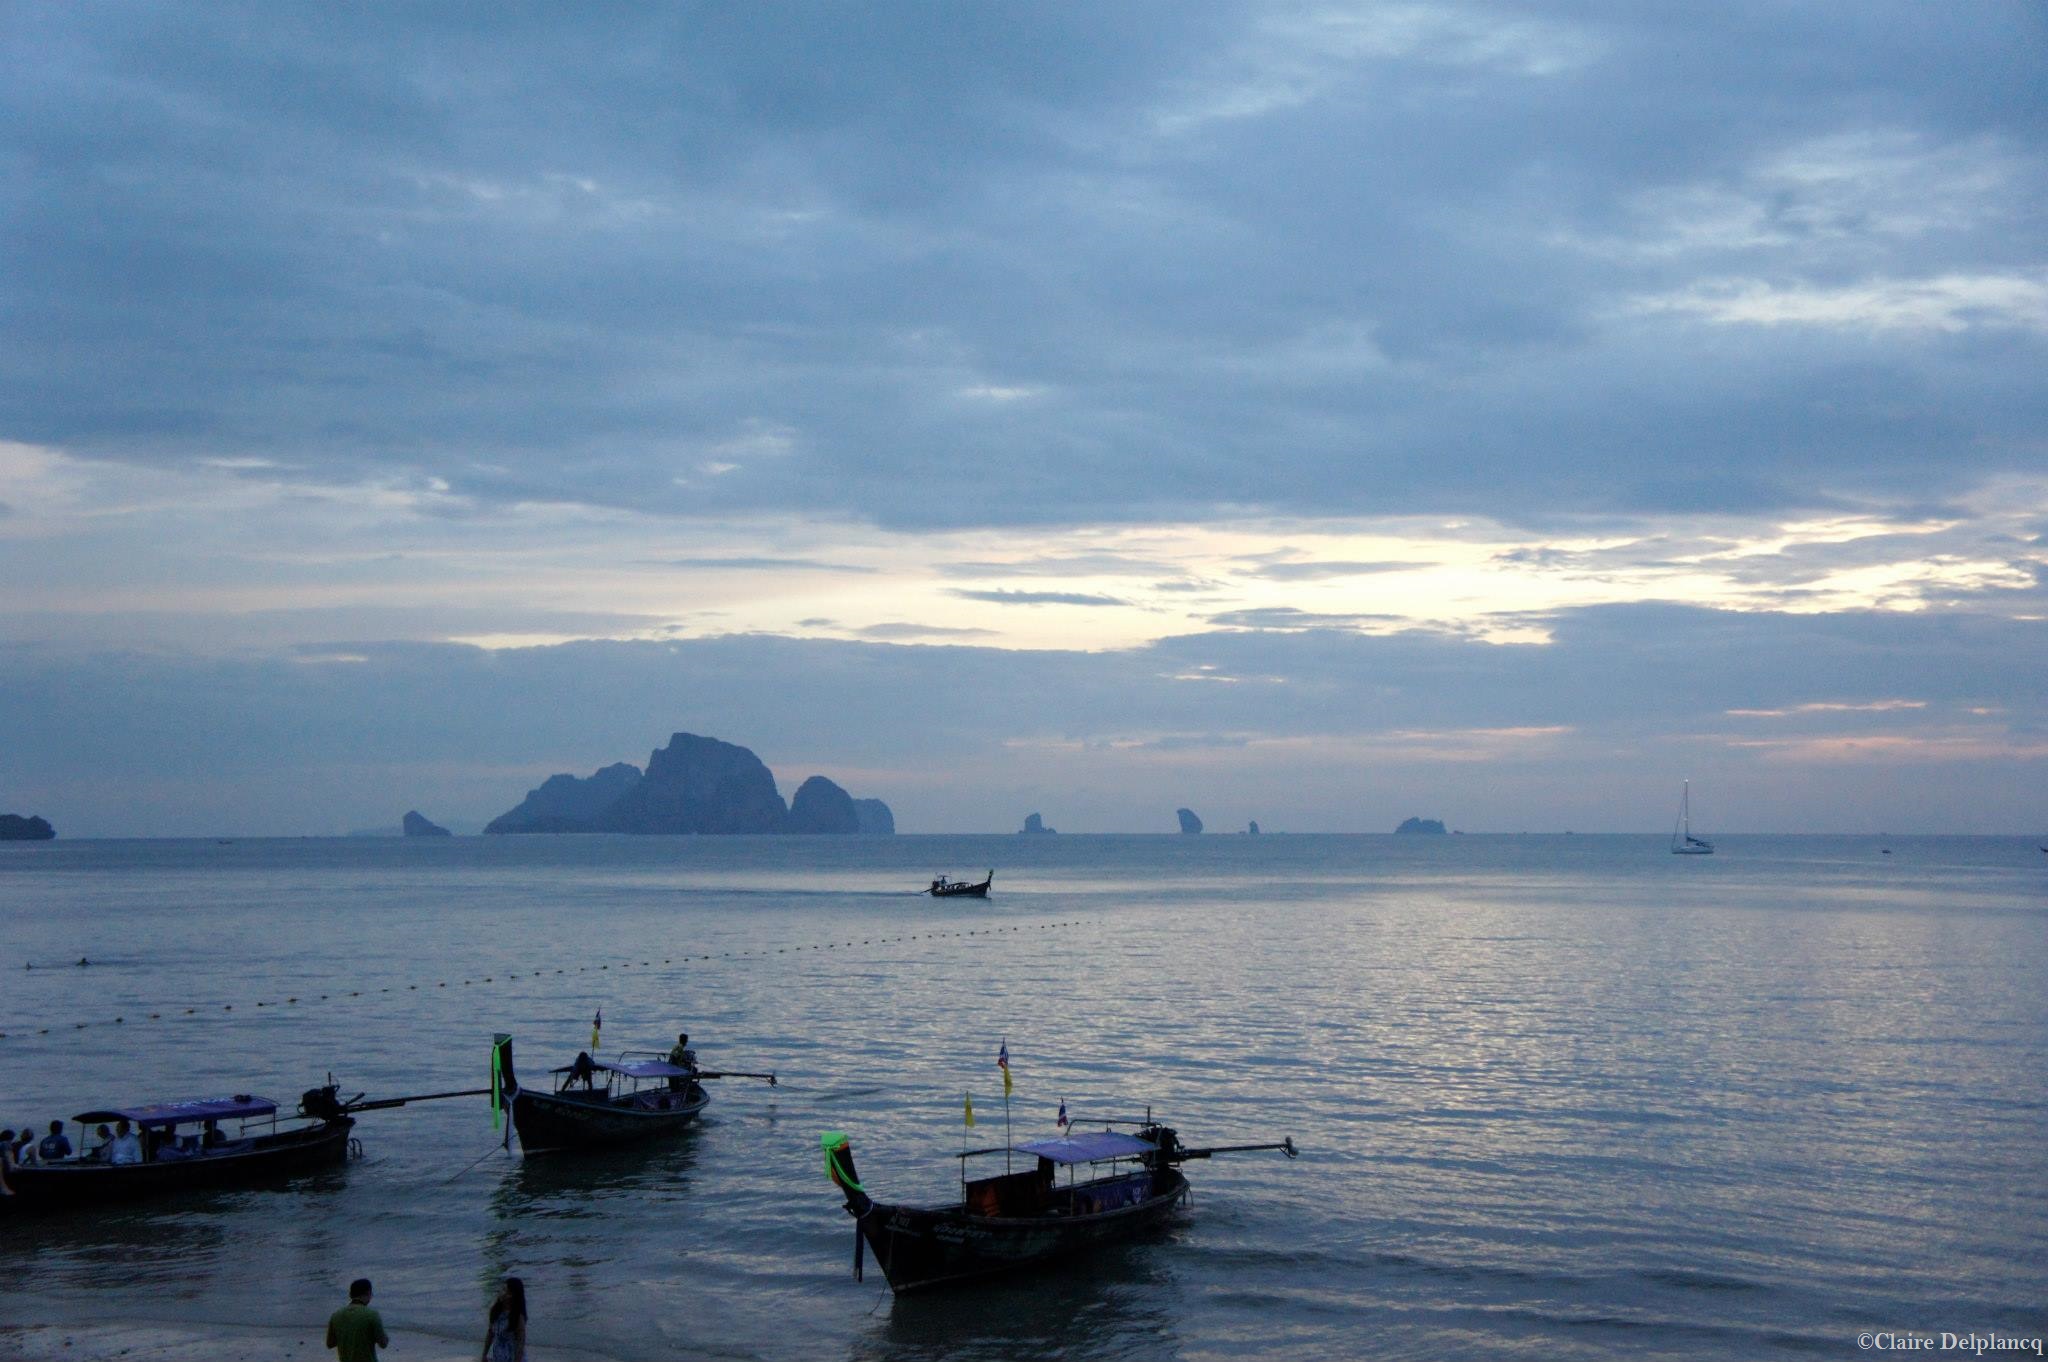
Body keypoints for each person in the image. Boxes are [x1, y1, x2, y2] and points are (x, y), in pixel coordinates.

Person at [326, 1278, 389, 1362]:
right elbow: (383, 1344)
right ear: (368, 1293)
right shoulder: (371, 1315)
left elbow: (330, 1344)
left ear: (350, 1295)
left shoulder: (336, 1316)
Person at [481, 1277, 526, 1362]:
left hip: (512, 1357)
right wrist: (484, 1355)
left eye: (505, 1290)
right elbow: (490, 1334)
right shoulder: (495, 1312)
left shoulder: (518, 1317)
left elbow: (520, 1344)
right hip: (498, 1356)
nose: (501, 1292)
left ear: (511, 1295)